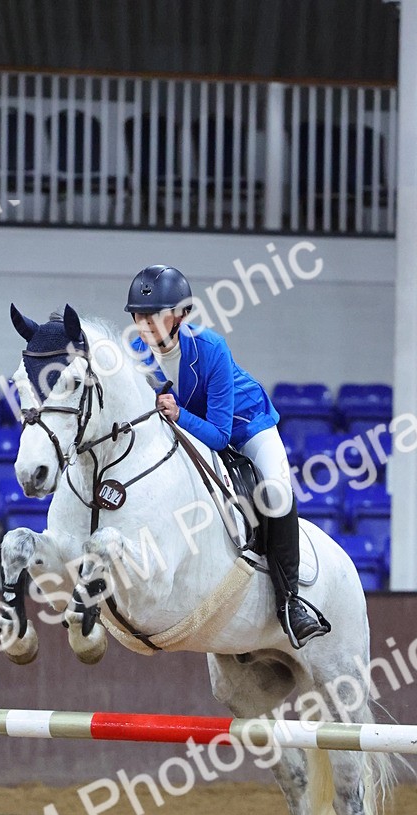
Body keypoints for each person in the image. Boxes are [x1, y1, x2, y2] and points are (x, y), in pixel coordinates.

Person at [125, 263, 329, 649]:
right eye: (139, 315)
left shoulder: (211, 347)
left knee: (276, 491)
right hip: (187, 429)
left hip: (245, 425)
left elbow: (219, 436)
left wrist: (178, 414)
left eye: (155, 314)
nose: (145, 324)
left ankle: (291, 602)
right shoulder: (135, 353)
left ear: (180, 315)